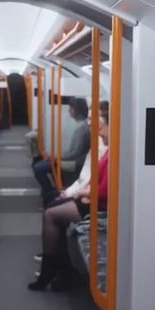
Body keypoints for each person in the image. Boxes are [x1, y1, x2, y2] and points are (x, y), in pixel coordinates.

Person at [29, 101, 109, 291]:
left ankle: (53, 270)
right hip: (92, 199)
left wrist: (82, 193)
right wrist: (83, 193)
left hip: (101, 205)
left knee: (51, 214)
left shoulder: (113, 150)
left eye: (98, 124)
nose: (95, 129)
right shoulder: (107, 147)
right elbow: (92, 179)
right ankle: (61, 271)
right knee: (53, 210)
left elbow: (104, 190)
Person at [31, 98, 90, 205]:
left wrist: (57, 157)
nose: (69, 111)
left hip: (76, 163)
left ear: (76, 110)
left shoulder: (82, 129)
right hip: (75, 160)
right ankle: (54, 189)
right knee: (44, 164)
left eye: (71, 108)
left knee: (38, 168)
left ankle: (50, 192)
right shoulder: (82, 126)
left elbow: (75, 153)